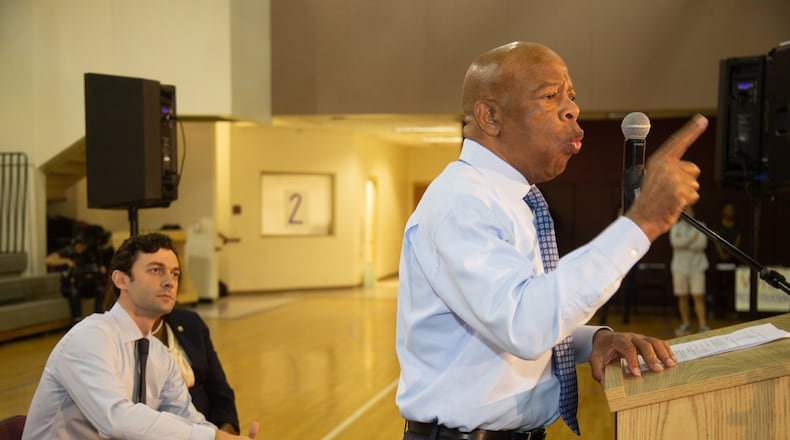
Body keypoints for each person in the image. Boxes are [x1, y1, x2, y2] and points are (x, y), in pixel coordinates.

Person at [396, 41, 708, 439]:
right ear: (489, 116)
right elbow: (523, 325)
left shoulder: (513, 200)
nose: (572, 108)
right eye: (550, 95)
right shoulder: (461, 204)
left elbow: (523, 312)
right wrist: (642, 222)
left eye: (572, 96)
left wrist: (595, 340)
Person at [24, 233, 258, 440]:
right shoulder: (91, 337)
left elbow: (189, 420)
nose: (170, 282)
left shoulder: (159, 354)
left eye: (175, 273)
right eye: (156, 270)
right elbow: (117, 420)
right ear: (121, 280)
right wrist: (213, 437)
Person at [153, 309, 241, 434]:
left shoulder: (191, 322)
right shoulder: (119, 338)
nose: (170, 287)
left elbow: (220, 391)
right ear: (123, 287)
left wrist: (226, 433)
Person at [45, 230, 108, 322]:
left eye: (84, 246)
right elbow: (48, 260)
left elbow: (98, 266)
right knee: (74, 292)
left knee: (101, 290)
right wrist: (66, 261)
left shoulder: (90, 253)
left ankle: (97, 317)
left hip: (86, 284)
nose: (81, 248)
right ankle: (77, 319)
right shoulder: (68, 251)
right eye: (79, 246)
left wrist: (100, 268)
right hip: (70, 286)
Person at [670, 206, 710, 335]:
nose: (688, 213)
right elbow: (675, 243)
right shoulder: (675, 227)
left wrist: (685, 242)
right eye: (685, 211)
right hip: (679, 267)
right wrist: (691, 240)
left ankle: (703, 325)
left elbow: (701, 244)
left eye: (689, 211)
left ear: (693, 212)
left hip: (697, 266)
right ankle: (686, 324)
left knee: (698, 296)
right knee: (682, 296)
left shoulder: (701, 225)